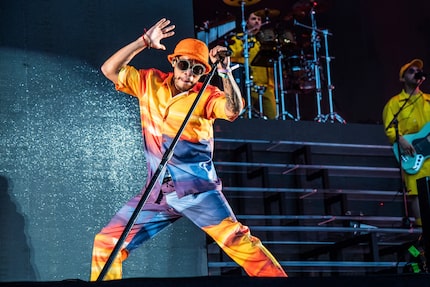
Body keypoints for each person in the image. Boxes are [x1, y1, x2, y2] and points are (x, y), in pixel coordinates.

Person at [90, 18, 288, 280]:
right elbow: (109, 69)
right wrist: (144, 42)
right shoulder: (149, 82)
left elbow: (233, 110)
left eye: (196, 70)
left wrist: (226, 74)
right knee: (107, 243)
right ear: (173, 62)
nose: (189, 73)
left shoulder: (207, 95)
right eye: (184, 65)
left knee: (238, 241)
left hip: (197, 190)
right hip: (157, 193)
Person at [382, 58, 430, 227]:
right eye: (411, 70)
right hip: (413, 153)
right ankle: (422, 231)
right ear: (402, 78)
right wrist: (400, 139)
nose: (416, 72)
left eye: (418, 70)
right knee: (416, 193)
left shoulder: (429, 100)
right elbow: (389, 128)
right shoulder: (394, 104)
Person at [229, 11, 277, 119]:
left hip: (266, 85)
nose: (257, 22)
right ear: (246, 22)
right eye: (254, 19)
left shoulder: (263, 40)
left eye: (259, 20)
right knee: (243, 116)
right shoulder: (237, 39)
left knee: (273, 116)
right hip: (247, 85)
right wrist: (242, 49)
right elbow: (231, 58)